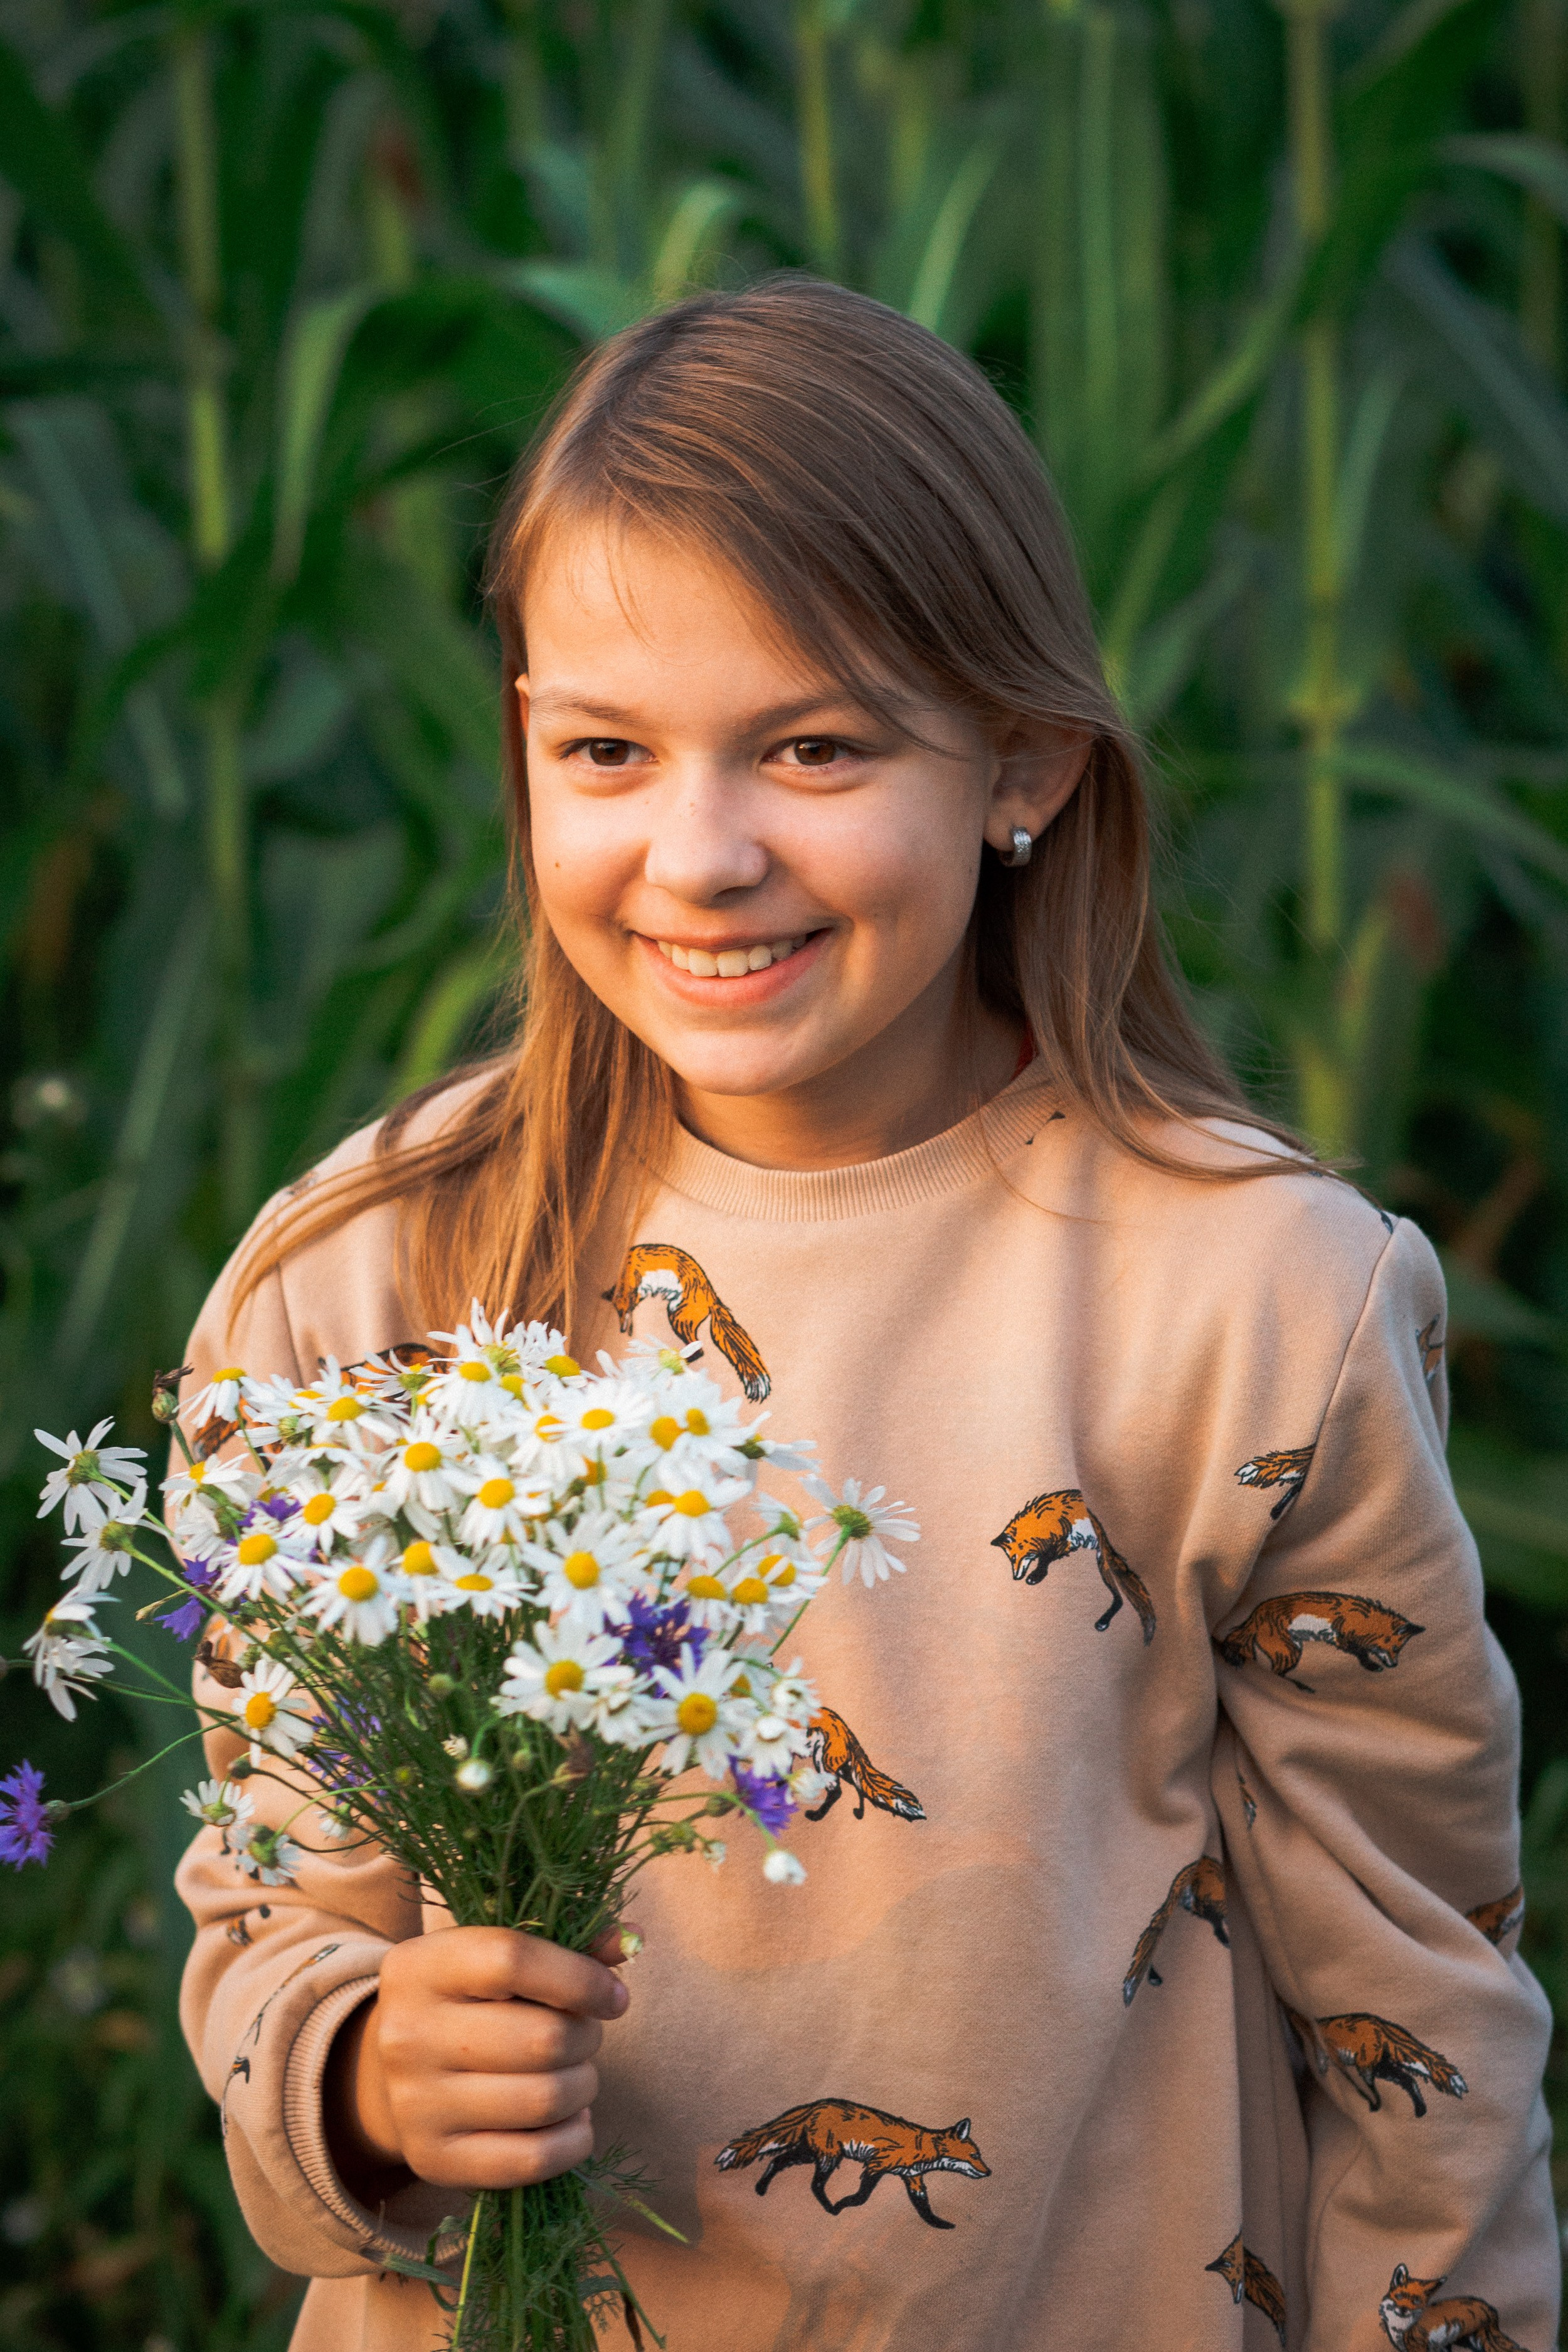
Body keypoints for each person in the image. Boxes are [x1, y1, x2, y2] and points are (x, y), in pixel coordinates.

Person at [172, 279, 1557, 2351]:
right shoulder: (362, 1282)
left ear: (1018, 764)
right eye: (607, 751)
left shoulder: (1259, 1298)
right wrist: (366, 2084)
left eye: (814, 746)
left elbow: (1411, 2009)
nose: (701, 852)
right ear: (524, 746)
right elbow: (275, 1925)